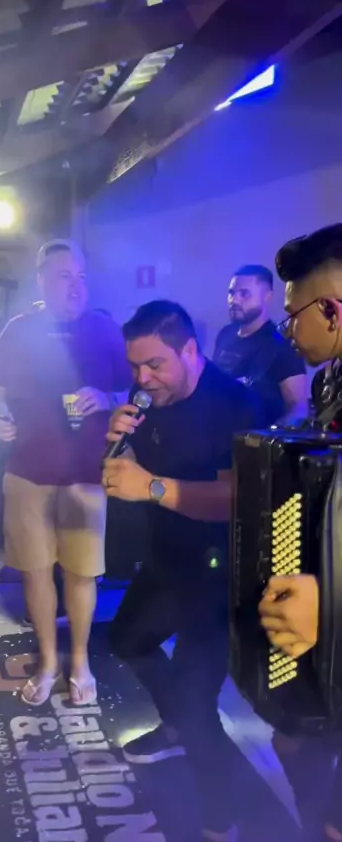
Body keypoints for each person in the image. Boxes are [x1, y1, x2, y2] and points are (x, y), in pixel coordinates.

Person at [102, 300, 264, 842]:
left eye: (155, 364)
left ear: (190, 350)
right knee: (127, 638)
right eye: (135, 366)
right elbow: (122, 467)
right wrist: (116, 440)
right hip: (167, 557)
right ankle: (178, 725)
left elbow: (235, 499)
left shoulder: (235, 403)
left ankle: (223, 816)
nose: (143, 378)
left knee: (198, 704)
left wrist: (150, 486)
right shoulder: (148, 398)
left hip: (221, 572)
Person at [0, 239, 131, 706]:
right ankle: (47, 662)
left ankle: (80, 661)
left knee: (83, 575)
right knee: (35, 573)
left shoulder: (104, 329)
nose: (76, 286)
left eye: (81, 276)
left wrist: (106, 398)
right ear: (41, 281)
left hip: (86, 475)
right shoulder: (19, 330)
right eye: (65, 276)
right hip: (27, 472)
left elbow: (137, 389)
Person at [257, 224, 342, 842]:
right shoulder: (327, 381)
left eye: (294, 317)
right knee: (291, 741)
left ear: (333, 311)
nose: (288, 331)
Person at [214, 264, 307, 424]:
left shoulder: (282, 345)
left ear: (267, 296)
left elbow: (298, 410)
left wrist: (269, 436)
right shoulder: (225, 335)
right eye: (231, 293)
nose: (234, 300)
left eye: (244, 294)